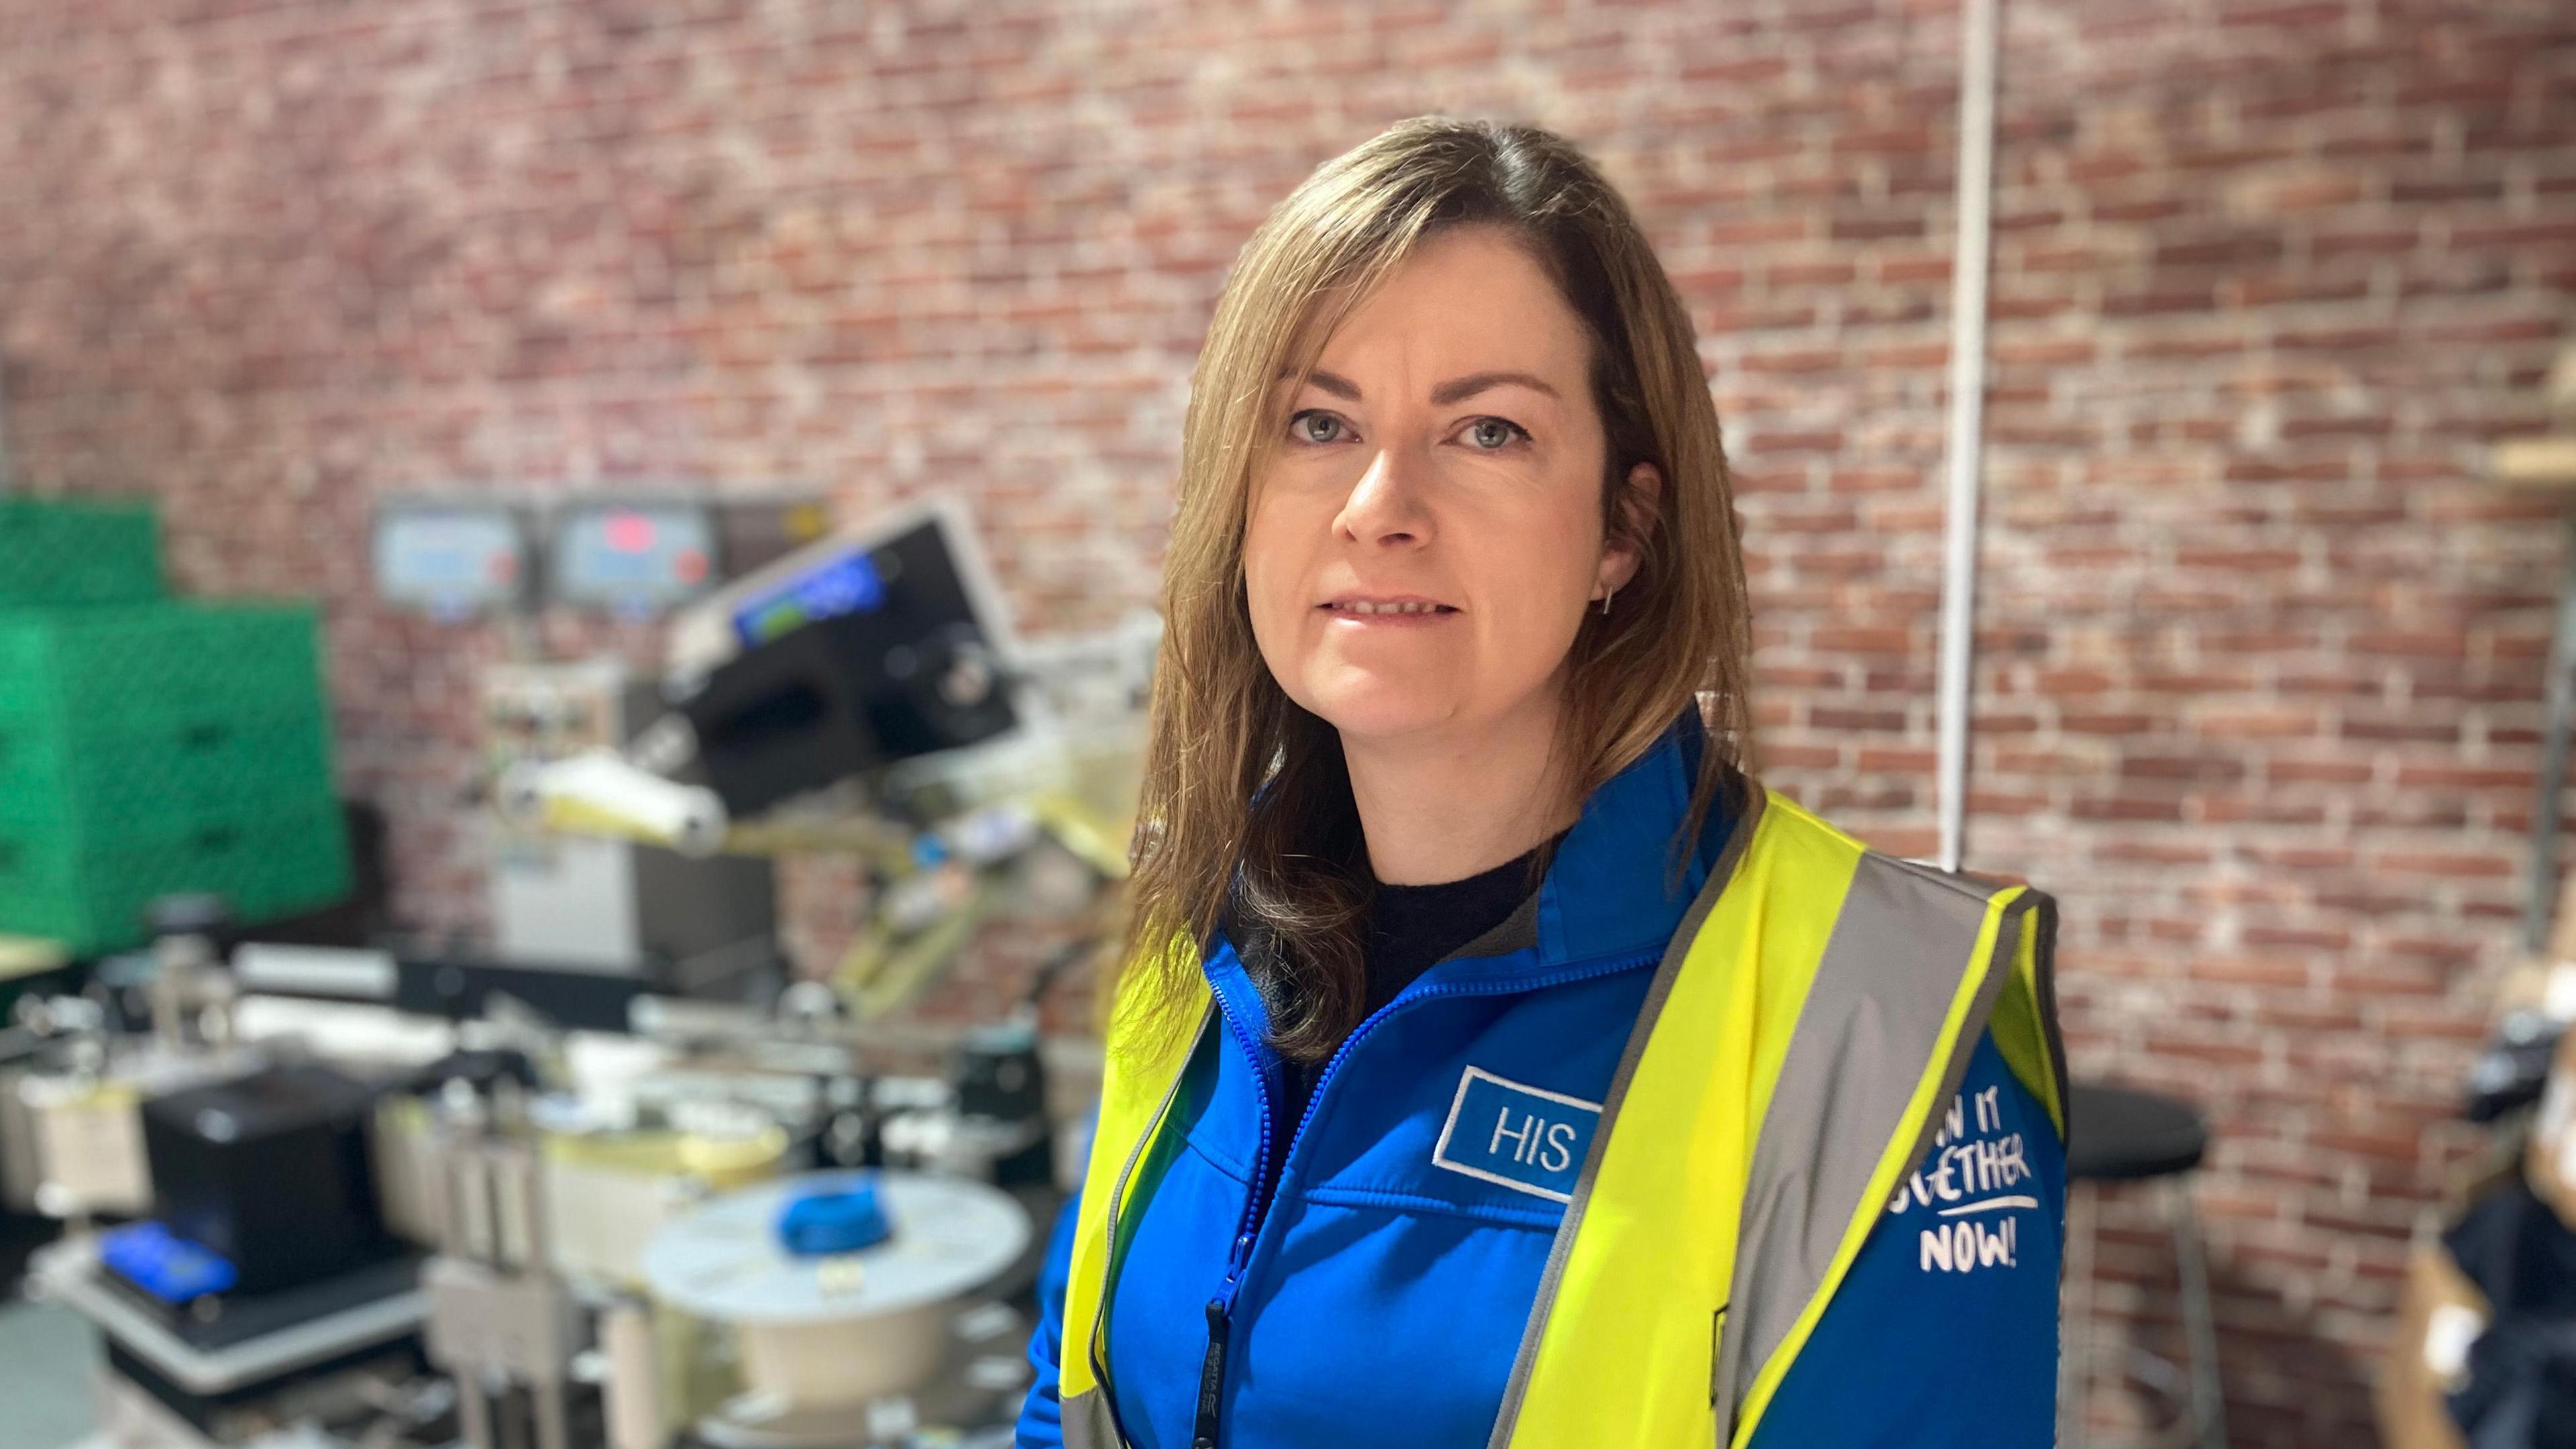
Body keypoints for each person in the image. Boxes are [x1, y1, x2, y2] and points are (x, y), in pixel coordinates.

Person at [1014, 115, 2067, 1449]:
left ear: (1623, 528)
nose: (1379, 504)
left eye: (1490, 431)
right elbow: (1075, 1397)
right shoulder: (1197, 928)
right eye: (1317, 421)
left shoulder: (1885, 1030)